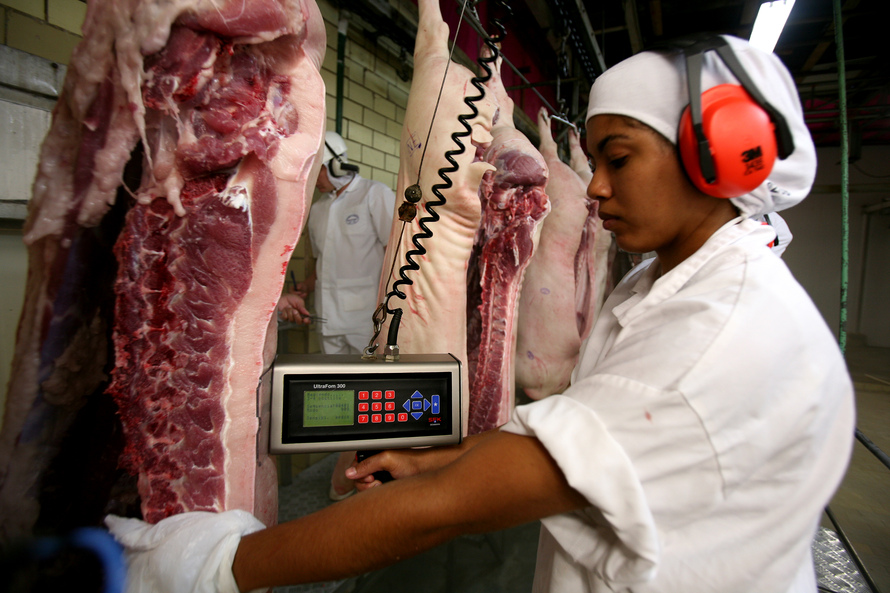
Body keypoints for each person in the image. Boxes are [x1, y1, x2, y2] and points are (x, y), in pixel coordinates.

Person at [106, 35, 855, 593]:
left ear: (722, 153)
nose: (593, 189)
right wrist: (429, 457)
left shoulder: (718, 333)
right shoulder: (672, 288)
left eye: (618, 157)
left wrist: (216, 566)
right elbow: (548, 445)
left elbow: (444, 510)